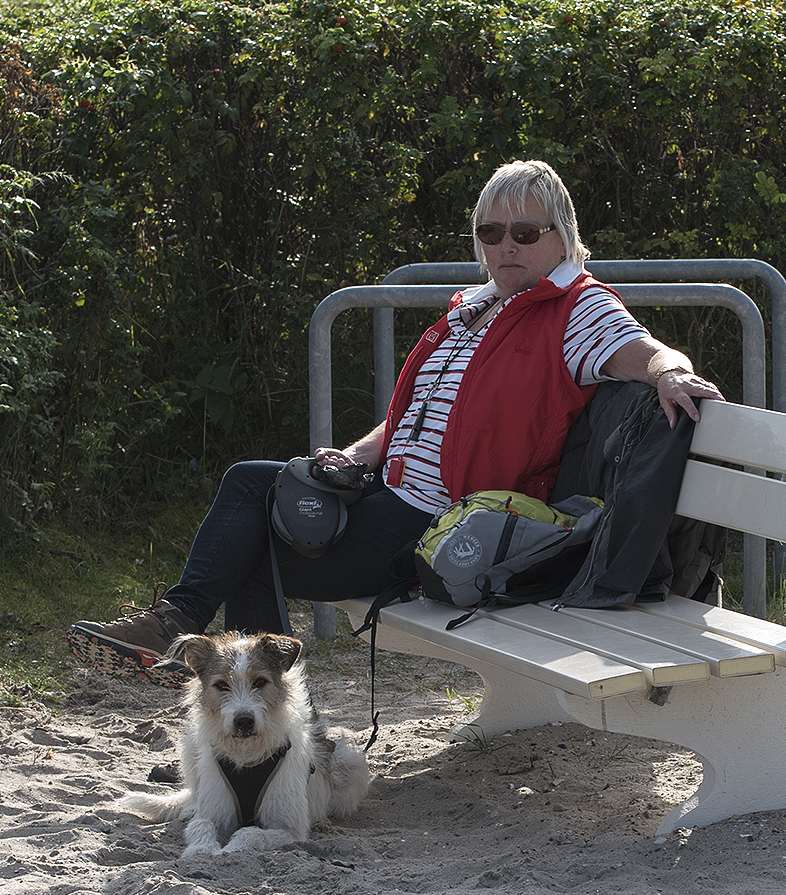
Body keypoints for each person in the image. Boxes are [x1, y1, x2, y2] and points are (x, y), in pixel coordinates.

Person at [67, 159, 724, 685]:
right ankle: (264, 730)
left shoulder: (573, 307)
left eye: (525, 233)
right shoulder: (475, 309)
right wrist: (355, 457)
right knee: (251, 527)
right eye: (491, 233)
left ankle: (184, 638)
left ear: (562, 239)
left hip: (442, 527)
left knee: (248, 497)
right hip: (386, 498)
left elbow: (645, 349)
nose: (506, 247)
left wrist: (669, 373)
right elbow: (411, 419)